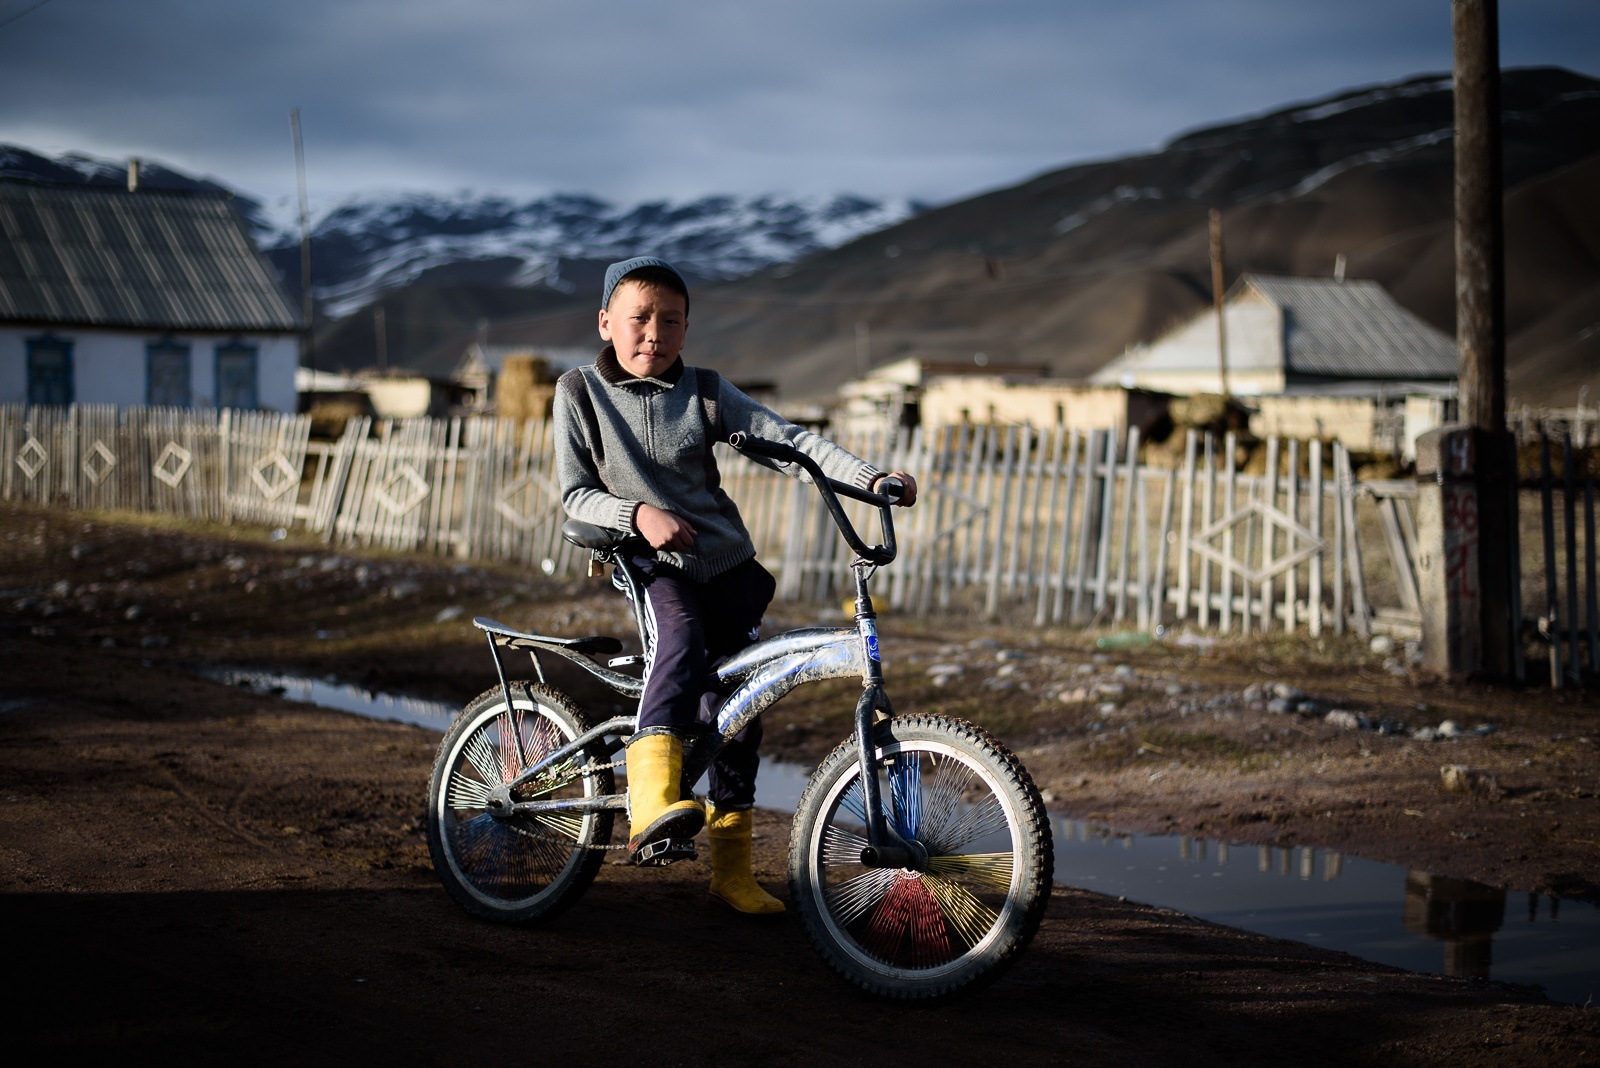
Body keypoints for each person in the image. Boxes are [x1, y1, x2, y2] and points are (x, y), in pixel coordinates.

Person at [554, 256, 917, 915]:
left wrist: (869, 481)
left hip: (724, 566)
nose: (653, 334)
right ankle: (650, 805)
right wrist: (636, 514)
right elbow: (575, 495)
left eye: (670, 322)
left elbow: (788, 442)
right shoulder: (578, 392)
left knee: (742, 710)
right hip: (646, 560)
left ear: (687, 329)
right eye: (638, 319)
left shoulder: (707, 390)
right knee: (682, 638)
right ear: (607, 323)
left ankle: (731, 870)